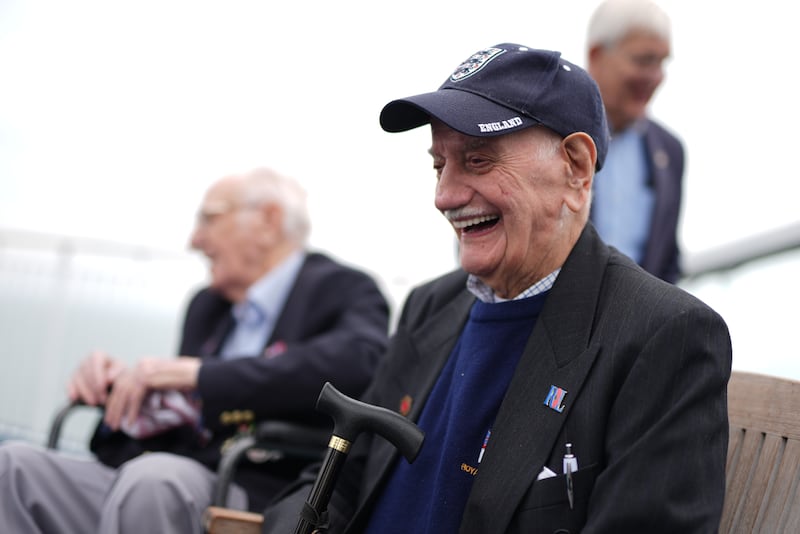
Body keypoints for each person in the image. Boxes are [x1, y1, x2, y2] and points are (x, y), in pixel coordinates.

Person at [261, 44, 731, 533]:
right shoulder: (430, 306)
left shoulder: (663, 335)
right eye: (439, 165)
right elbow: (335, 476)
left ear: (575, 166)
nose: (444, 196)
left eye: (479, 160)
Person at [0, 167, 391, 533]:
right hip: (165, 477)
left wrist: (198, 376)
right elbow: (180, 412)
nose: (194, 240)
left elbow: (356, 362)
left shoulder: (344, 289)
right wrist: (119, 389)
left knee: (153, 481)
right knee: (15, 466)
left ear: (268, 221)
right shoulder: (207, 305)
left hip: (253, 487)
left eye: (209, 218)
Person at [586, 0, 685, 283]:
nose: (654, 76)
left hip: (640, 323)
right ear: (597, 56)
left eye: (661, 62)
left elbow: (668, 257)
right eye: (643, 60)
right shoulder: (551, 135)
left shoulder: (670, 151)